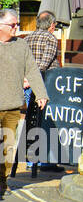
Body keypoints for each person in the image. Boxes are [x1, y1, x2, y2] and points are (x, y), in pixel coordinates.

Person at [0, 9, 47, 197]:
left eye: (17, 24)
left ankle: (2, 183)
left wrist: (41, 93)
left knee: (7, 148)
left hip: (12, 105)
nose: (17, 28)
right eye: (13, 25)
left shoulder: (21, 45)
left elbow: (33, 70)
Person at [21, 11, 59, 173]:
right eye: (55, 25)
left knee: (31, 121)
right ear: (51, 25)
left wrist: (25, 79)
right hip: (44, 85)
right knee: (43, 122)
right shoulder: (51, 38)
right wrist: (32, 80)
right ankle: (42, 162)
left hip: (28, 84)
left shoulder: (27, 38)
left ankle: (31, 161)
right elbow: (44, 64)